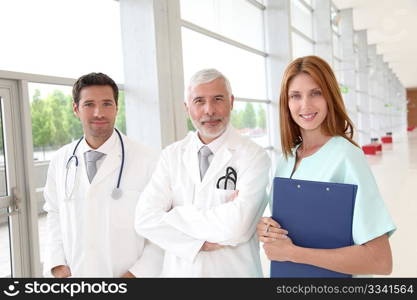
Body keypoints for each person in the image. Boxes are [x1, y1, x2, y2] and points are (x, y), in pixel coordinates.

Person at [257, 56, 396, 276]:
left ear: (330, 96)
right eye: (295, 96)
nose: (306, 105)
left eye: (316, 93)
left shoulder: (347, 157)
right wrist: (268, 230)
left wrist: (294, 253)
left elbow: (380, 261)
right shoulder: (286, 159)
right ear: (286, 103)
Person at [134, 68, 271, 277]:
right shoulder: (171, 156)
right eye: (199, 101)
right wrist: (197, 244)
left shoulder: (254, 156)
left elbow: (238, 225)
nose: (209, 110)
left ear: (231, 102)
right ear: (187, 107)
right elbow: (144, 219)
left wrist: (175, 215)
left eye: (218, 99)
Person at [43, 72, 163, 277]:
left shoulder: (149, 160)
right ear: (76, 109)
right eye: (89, 104)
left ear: (117, 108)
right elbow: (54, 213)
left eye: (107, 104)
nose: (99, 112)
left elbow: (162, 227)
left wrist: (137, 274)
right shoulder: (61, 160)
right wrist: (56, 264)